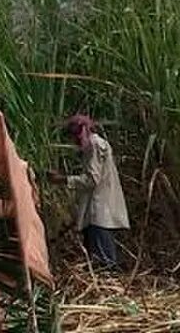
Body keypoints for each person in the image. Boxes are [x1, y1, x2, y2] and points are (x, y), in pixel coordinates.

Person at [48, 115, 130, 269]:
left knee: (104, 263)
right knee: (97, 259)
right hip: (96, 212)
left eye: (78, 133)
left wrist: (64, 180)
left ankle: (109, 289)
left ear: (85, 128)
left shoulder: (95, 144)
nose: (76, 139)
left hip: (99, 211)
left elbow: (92, 179)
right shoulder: (92, 146)